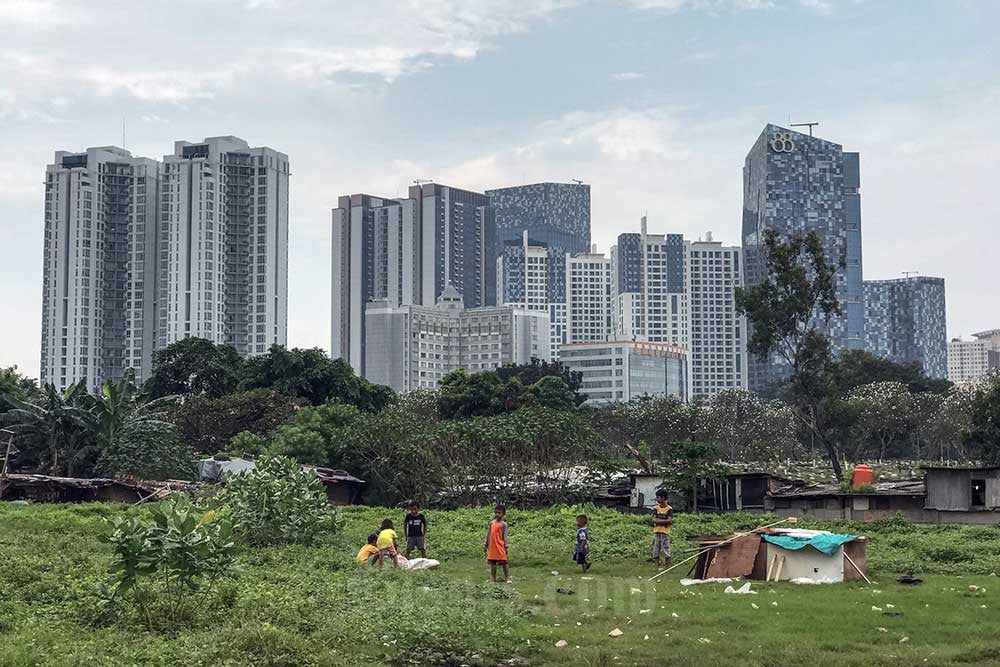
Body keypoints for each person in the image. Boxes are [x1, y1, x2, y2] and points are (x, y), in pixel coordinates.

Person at [484, 504, 511, 583]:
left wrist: (506, 546)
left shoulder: (504, 525)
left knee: (504, 563)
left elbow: (505, 536)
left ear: (503, 514)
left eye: (499, 513)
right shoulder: (491, 523)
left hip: (500, 546)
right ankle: (493, 578)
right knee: (492, 564)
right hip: (492, 546)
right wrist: (486, 544)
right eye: (495, 512)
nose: (497, 514)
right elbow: (488, 534)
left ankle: (507, 578)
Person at [651, 489, 673, 568]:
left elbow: (669, 521)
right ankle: (656, 566)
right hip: (657, 531)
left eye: (658, 497)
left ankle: (666, 567)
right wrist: (664, 521)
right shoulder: (656, 508)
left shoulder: (669, 509)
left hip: (665, 532)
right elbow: (653, 520)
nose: (657, 499)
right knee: (656, 548)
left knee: (666, 549)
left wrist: (658, 521)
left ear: (663, 498)